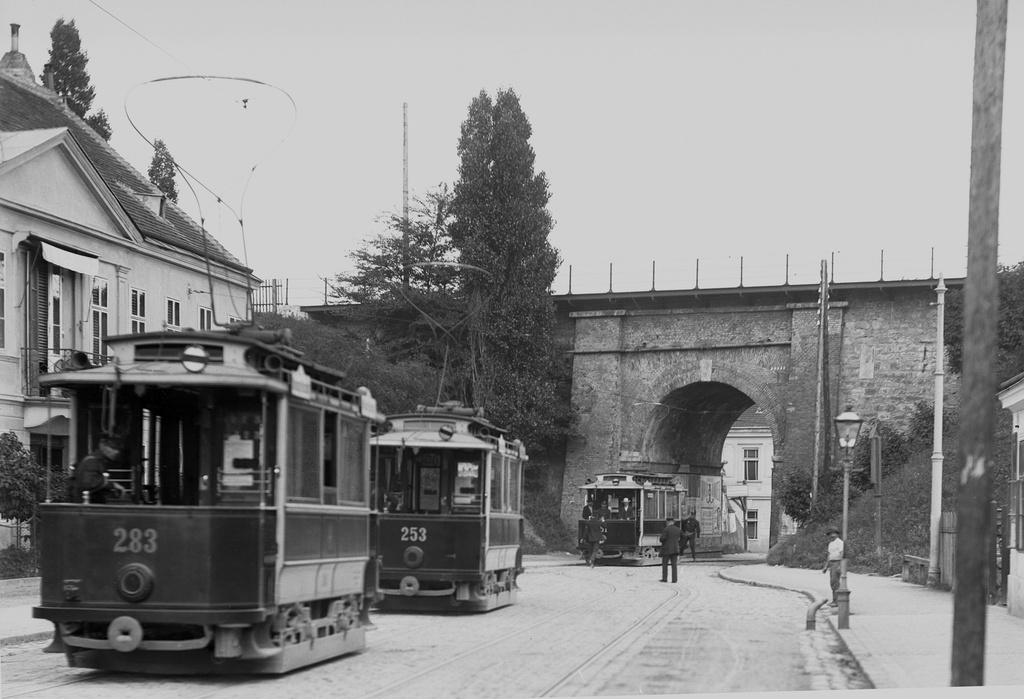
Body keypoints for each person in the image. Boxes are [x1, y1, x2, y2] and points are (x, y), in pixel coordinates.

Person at [70, 435, 126, 504]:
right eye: (112, 448)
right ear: (102, 446)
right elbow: (88, 482)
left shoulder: (97, 461)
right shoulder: (92, 461)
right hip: (87, 505)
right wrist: (112, 485)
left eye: (118, 449)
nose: (116, 452)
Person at [821, 526, 844, 607]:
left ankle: (836, 601)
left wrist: (840, 566)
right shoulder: (830, 544)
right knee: (832, 582)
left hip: (837, 562)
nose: (832, 535)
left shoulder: (839, 542)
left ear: (837, 534)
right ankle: (835, 600)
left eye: (834, 533)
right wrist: (825, 567)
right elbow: (829, 556)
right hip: (832, 563)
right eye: (831, 534)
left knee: (835, 582)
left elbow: (842, 553)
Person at [659, 516, 681, 582]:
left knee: (665, 564)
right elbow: (684, 537)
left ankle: (664, 578)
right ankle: (674, 579)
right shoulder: (678, 529)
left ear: (668, 522)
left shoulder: (666, 529)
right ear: (673, 522)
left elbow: (662, 539)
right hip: (675, 549)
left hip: (667, 550)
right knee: (674, 565)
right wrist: (679, 544)